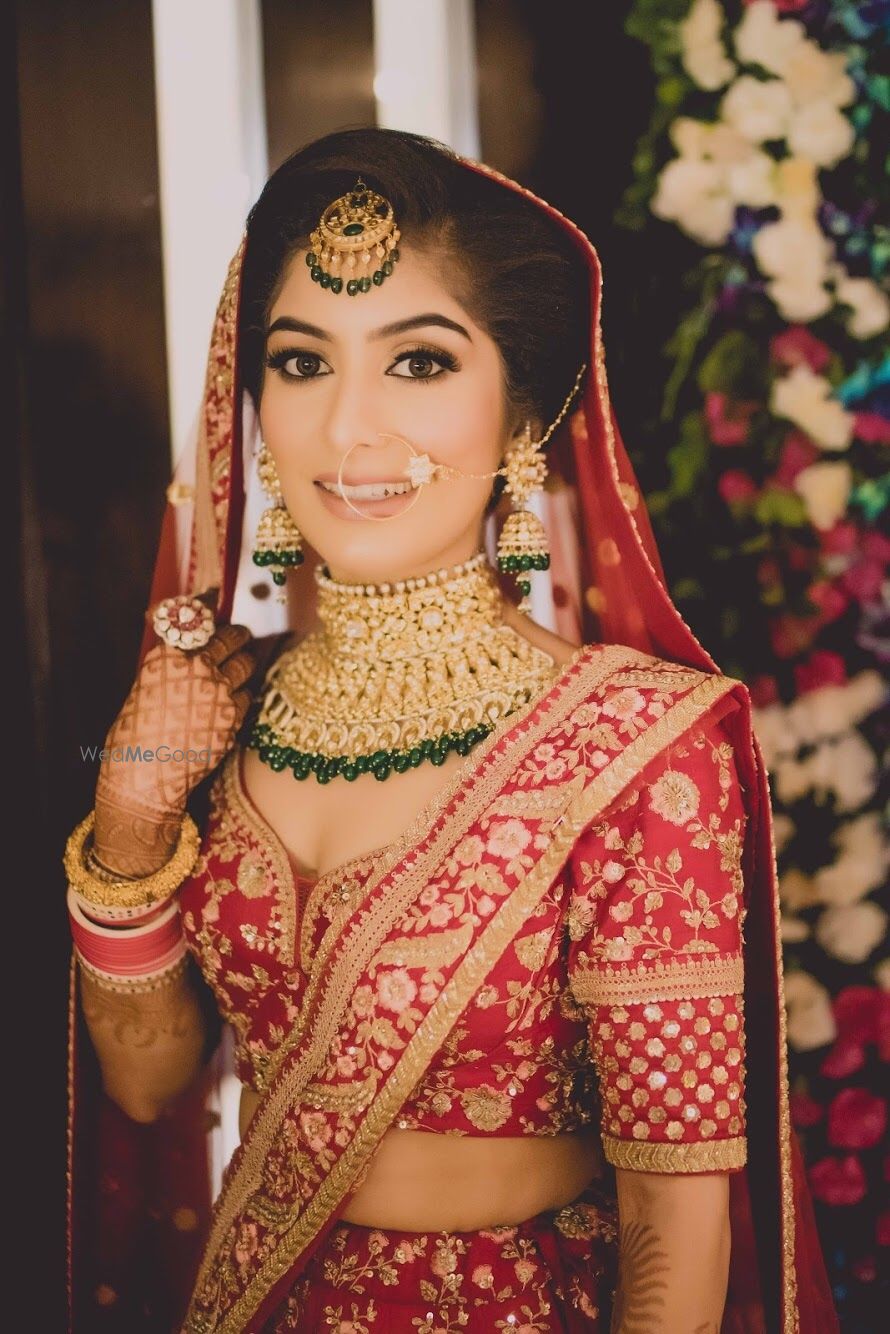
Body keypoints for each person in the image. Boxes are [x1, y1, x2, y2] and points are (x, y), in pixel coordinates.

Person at [65, 127, 839, 1333]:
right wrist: (127, 824)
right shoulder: (220, 712)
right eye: (302, 362)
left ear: (523, 412)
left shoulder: (637, 745)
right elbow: (152, 1080)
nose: (346, 428)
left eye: (418, 362)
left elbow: (671, 1212)